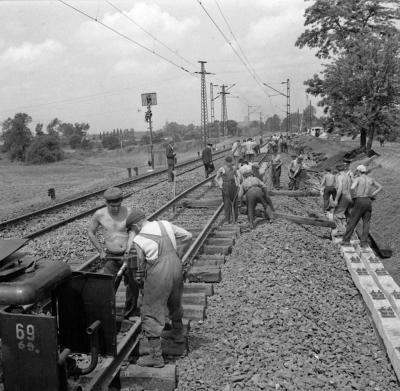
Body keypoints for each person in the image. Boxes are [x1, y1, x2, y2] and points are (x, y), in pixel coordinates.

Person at [125, 209, 192, 368]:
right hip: (176, 268)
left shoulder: (139, 240)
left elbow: (140, 269)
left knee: (150, 311)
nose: (133, 232)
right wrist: (179, 255)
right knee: (174, 303)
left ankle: (155, 357)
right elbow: (188, 236)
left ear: (136, 225)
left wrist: (142, 284)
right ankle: (177, 334)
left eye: (132, 229)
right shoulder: (165, 224)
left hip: (159, 273)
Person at [88, 187, 139, 319]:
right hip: (111, 256)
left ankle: (130, 313)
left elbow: (133, 231)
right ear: (106, 203)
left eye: (118, 205)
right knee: (108, 286)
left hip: (128, 254)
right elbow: (91, 233)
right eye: (112, 206)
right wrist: (100, 251)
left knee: (133, 285)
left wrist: (129, 249)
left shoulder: (128, 212)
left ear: (121, 201)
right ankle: (107, 314)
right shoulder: (99, 215)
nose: (116, 208)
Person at [341, 165, 383, 248]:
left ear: (359, 171)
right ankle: (364, 243)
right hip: (368, 200)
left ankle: (346, 240)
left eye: (357, 171)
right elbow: (380, 187)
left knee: (353, 220)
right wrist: (372, 194)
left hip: (359, 200)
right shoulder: (371, 179)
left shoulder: (358, 179)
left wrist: (353, 197)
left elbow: (352, 188)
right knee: (366, 223)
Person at [215, 156, 240, 224]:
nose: (229, 164)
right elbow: (216, 178)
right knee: (227, 203)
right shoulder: (222, 169)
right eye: (228, 163)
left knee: (235, 202)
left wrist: (238, 184)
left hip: (233, 185)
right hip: (226, 186)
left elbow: (237, 176)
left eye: (230, 162)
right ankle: (227, 220)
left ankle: (236, 219)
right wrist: (220, 185)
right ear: (226, 162)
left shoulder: (233, 168)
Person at [332, 164, 353, 234]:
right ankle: (346, 228)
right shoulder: (348, 177)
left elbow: (340, 188)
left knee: (336, 214)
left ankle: (341, 231)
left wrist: (336, 200)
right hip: (350, 197)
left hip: (344, 196)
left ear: (338, 170)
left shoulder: (340, 177)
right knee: (345, 214)